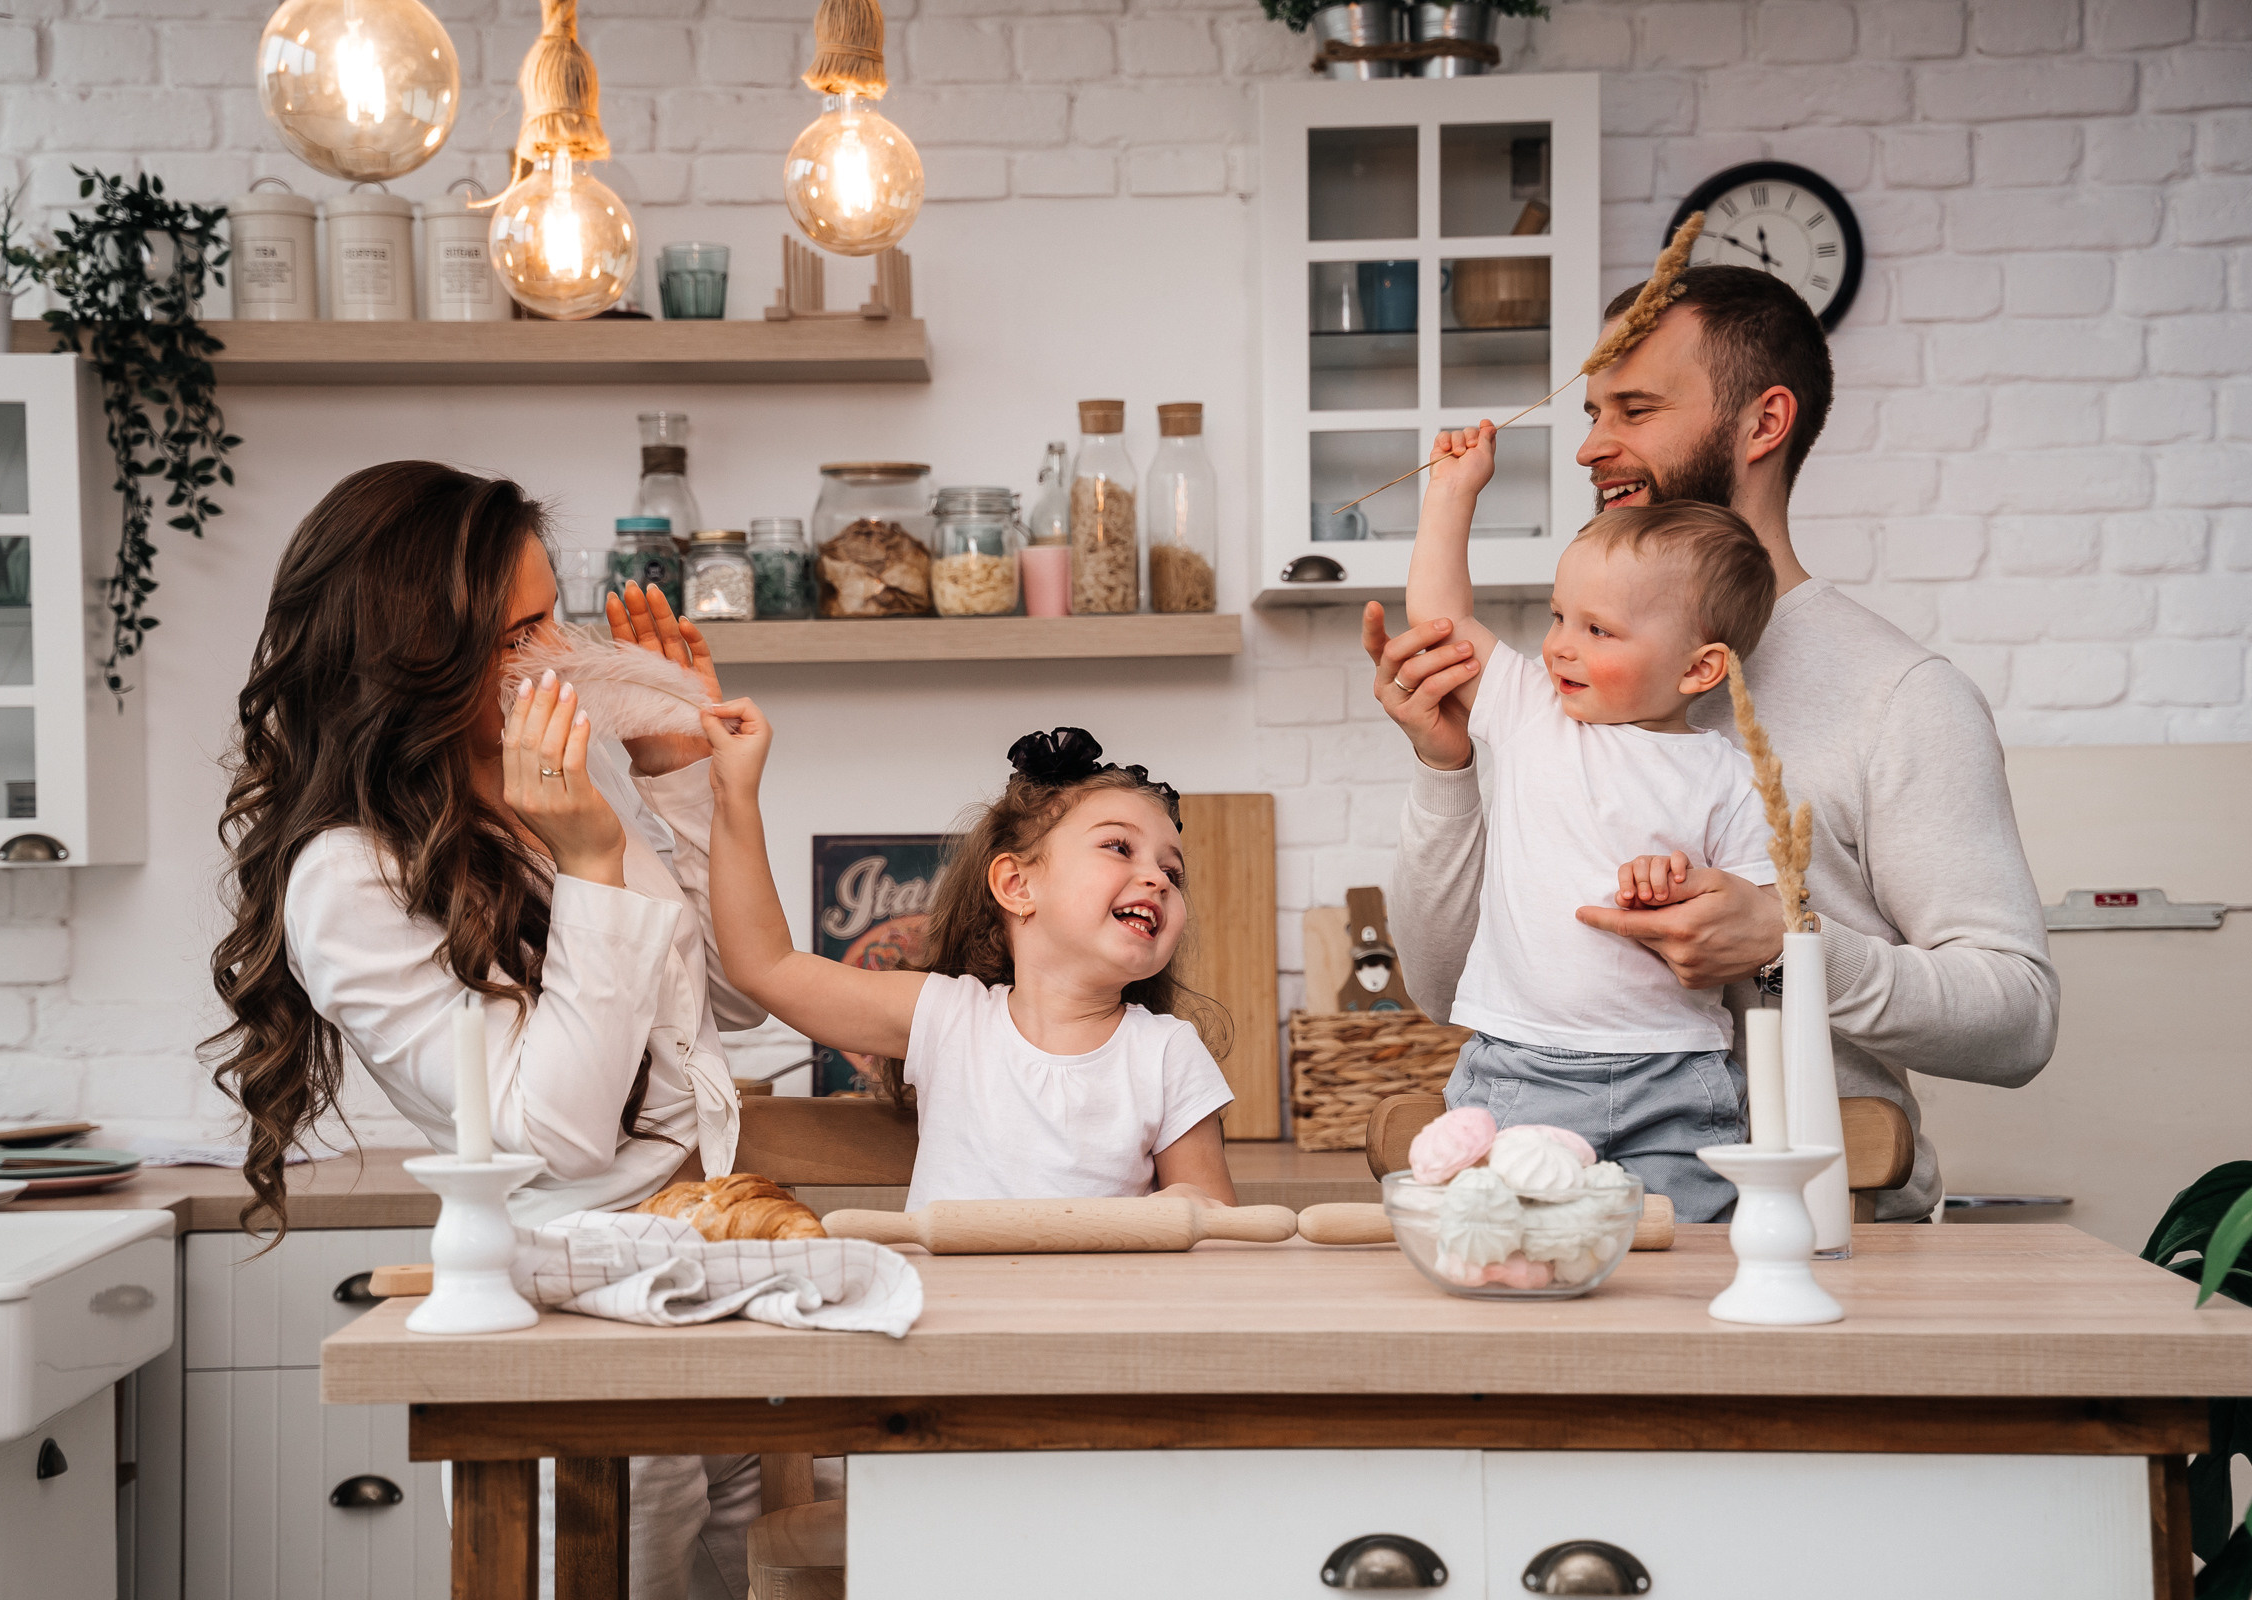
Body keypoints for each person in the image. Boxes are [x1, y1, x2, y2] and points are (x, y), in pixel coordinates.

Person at [1365, 265, 2059, 1222]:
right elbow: (1446, 990)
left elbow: (2019, 1021)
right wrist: (1447, 768)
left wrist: (1788, 948)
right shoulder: (1580, 677)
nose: (1591, 447)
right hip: (1576, 1213)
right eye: (1593, 412)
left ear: (1763, 423)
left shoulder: (1901, 696)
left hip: (1829, 1231)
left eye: (1636, 409)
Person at [205, 460, 778, 1600]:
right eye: (517, 636)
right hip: (570, 1311)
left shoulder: (553, 782)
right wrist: (594, 861)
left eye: (553, 618)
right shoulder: (351, 876)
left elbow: (731, 1000)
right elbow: (551, 1134)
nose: (557, 656)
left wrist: (676, 773)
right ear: (413, 655)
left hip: (698, 1272)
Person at [1403, 415, 1780, 1221]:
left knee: (1684, 1256)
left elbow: (1760, 921)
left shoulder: (1731, 774)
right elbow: (1439, 624)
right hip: (1522, 1068)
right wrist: (1450, 495)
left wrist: (1688, 887)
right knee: (1508, 1247)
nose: (1559, 648)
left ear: (1700, 668)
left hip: (1674, 1076)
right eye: (1557, 617)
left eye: (1597, 629)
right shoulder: (1533, 712)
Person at [699, 716, 1240, 1210]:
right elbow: (765, 966)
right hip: (945, 1290)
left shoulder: (1167, 1053)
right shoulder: (948, 1019)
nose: (1157, 879)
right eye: (1119, 847)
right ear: (1017, 884)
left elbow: (1219, 1233)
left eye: (1173, 873)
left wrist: (1192, 1206)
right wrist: (735, 794)